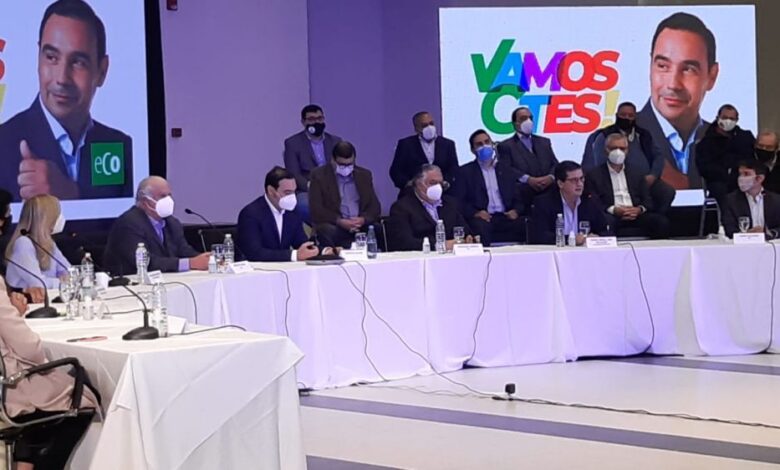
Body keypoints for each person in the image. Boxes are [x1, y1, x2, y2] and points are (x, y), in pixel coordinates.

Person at [0, 0, 133, 202]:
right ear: (38, 58)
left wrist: (72, 195)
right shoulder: (3, 143)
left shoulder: (120, 146)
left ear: (102, 71)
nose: (62, 78)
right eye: (51, 57)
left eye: (78, 62)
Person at [0, 275, 98, 469]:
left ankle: (24, 464)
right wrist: (15, 313)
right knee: (83, 397)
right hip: (9, 392)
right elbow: (31, 350)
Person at [635, 12, 719, 190]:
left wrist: (685, 185)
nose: (673, 84)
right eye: (663, 66)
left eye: (688, 69)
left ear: (712, 76)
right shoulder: (615, 140)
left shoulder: (724, 142)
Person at [103, 176, 210, 275]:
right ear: (145, 201)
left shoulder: (172, 222)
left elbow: (184, 250)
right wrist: (190, 263)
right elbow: (146, 262)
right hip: (132, 282)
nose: (169, 200)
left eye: (169, 195)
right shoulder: (128, 223)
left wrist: (207, 259)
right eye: (163, 196)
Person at [585, 134, 670, 239]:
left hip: (635, 214)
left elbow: (647, 200)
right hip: (612, 215)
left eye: (622, 148)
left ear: (627, 150)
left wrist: (639, 209)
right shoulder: (594, 175)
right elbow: (594, 201)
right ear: (605, 150)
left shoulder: (637, 172)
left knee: (661, 222)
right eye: (613, 148)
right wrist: (614, 210)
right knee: (605, 223)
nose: (618, 152)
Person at [453, 129, 525, 246]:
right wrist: (475, 213)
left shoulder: (506, 169)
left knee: (527, 224)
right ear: (473, 150)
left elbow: (518, 198)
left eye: (487, 142)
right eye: (479, 144)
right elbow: (459, 202)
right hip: (483, 218)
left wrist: (516, 211)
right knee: (479, 226)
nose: (484, 146)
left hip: (505, 216)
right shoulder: (465, 172)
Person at [237, 167, 322, 262]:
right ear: (271, 191)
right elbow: (254, 253)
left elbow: (302, 244)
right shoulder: (250, 214)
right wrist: (294, 255)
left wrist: (324, 251)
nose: (292, 197)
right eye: (287, 192)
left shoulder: (291, 212)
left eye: (294, 191)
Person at [309, 141, 381, 248]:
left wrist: (363, 219)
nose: (346, 168)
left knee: (377, 228)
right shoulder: (319, 176)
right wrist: (340, 221)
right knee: (326, 231)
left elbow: (375, 207)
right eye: (342, 165)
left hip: (360, 225)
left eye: (350, 164)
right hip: (336, 225)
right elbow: (316, 209)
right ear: (333, 160)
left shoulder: (364, 175)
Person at [387, 164, 471, 251]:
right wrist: (439, 245)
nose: (438, 187)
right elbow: (403, 242)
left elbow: (465, 231)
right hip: (422, 256)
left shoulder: (450, 204)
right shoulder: (402, 208)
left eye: (441, 184)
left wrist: (467, 238)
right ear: (419, 184)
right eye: (433, 183)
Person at [283, 104, 342, 221]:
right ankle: (333, 224)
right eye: (311, 119)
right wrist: (314, 188)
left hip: (334, 188)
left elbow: (342, 167)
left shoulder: (335, 141)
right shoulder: (292, 143)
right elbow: (293, 173)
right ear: (303, 122)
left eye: (319, 118)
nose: (316, 122)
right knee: (304, 205)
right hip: (307, 190)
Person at [530, 161, 609, 245]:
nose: (580, 184)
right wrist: (570, 239)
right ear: (560, 183)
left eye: (581, 179)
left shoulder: (590, 201)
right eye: (574, 180)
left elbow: (605, 231)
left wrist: (596, 237)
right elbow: (540, 236)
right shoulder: (544, 203)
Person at [4, 195, 71, 289]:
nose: (61, 218)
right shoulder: (23, 243)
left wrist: (65, 278)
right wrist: (62, 282)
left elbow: (69, 271)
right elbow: (38, 284)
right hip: (27, 298)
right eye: (57, 214)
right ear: (47, 218)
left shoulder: (49, 243)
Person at [695, 104, 756, 209]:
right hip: (720, 180)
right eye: (725, 117)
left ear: (737, 120)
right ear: (717, 118)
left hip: (743, 177)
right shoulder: (706, 143)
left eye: (732, 119)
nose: (728, 121)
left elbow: (752, 159)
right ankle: (729, 218)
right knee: (722, 190)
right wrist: (727, 173)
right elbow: (704, 168)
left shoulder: (745, 137)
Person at [496, 106, 559, 206]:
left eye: (530, 118)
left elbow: (555, 164)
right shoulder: (506, 146)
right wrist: (528, 179)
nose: (528, 121)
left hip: (549, 192)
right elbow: (506, 169)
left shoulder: (544, 142)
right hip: (524, 195)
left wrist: (550, 177)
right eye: (523, 118)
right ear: (515, 123)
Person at [389, 111, 459, 196]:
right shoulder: (406, 144)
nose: (429, 127)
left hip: (442, 193)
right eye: (424, 125)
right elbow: (396, 170)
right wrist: (408, 184)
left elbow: (453, 168)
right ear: (416, 129)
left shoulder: (447, 144)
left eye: (431, 123)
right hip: (413, 195)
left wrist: (446, 182)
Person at [722, 160, 780, 238]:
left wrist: (768, 233)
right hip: (742, 244)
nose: (741, 178)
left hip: (770, 243)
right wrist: (748, 235)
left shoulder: (776, 200)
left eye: (746, 174)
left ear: (759, 178)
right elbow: (729, 229)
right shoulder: (731, 200)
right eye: (740, 174)